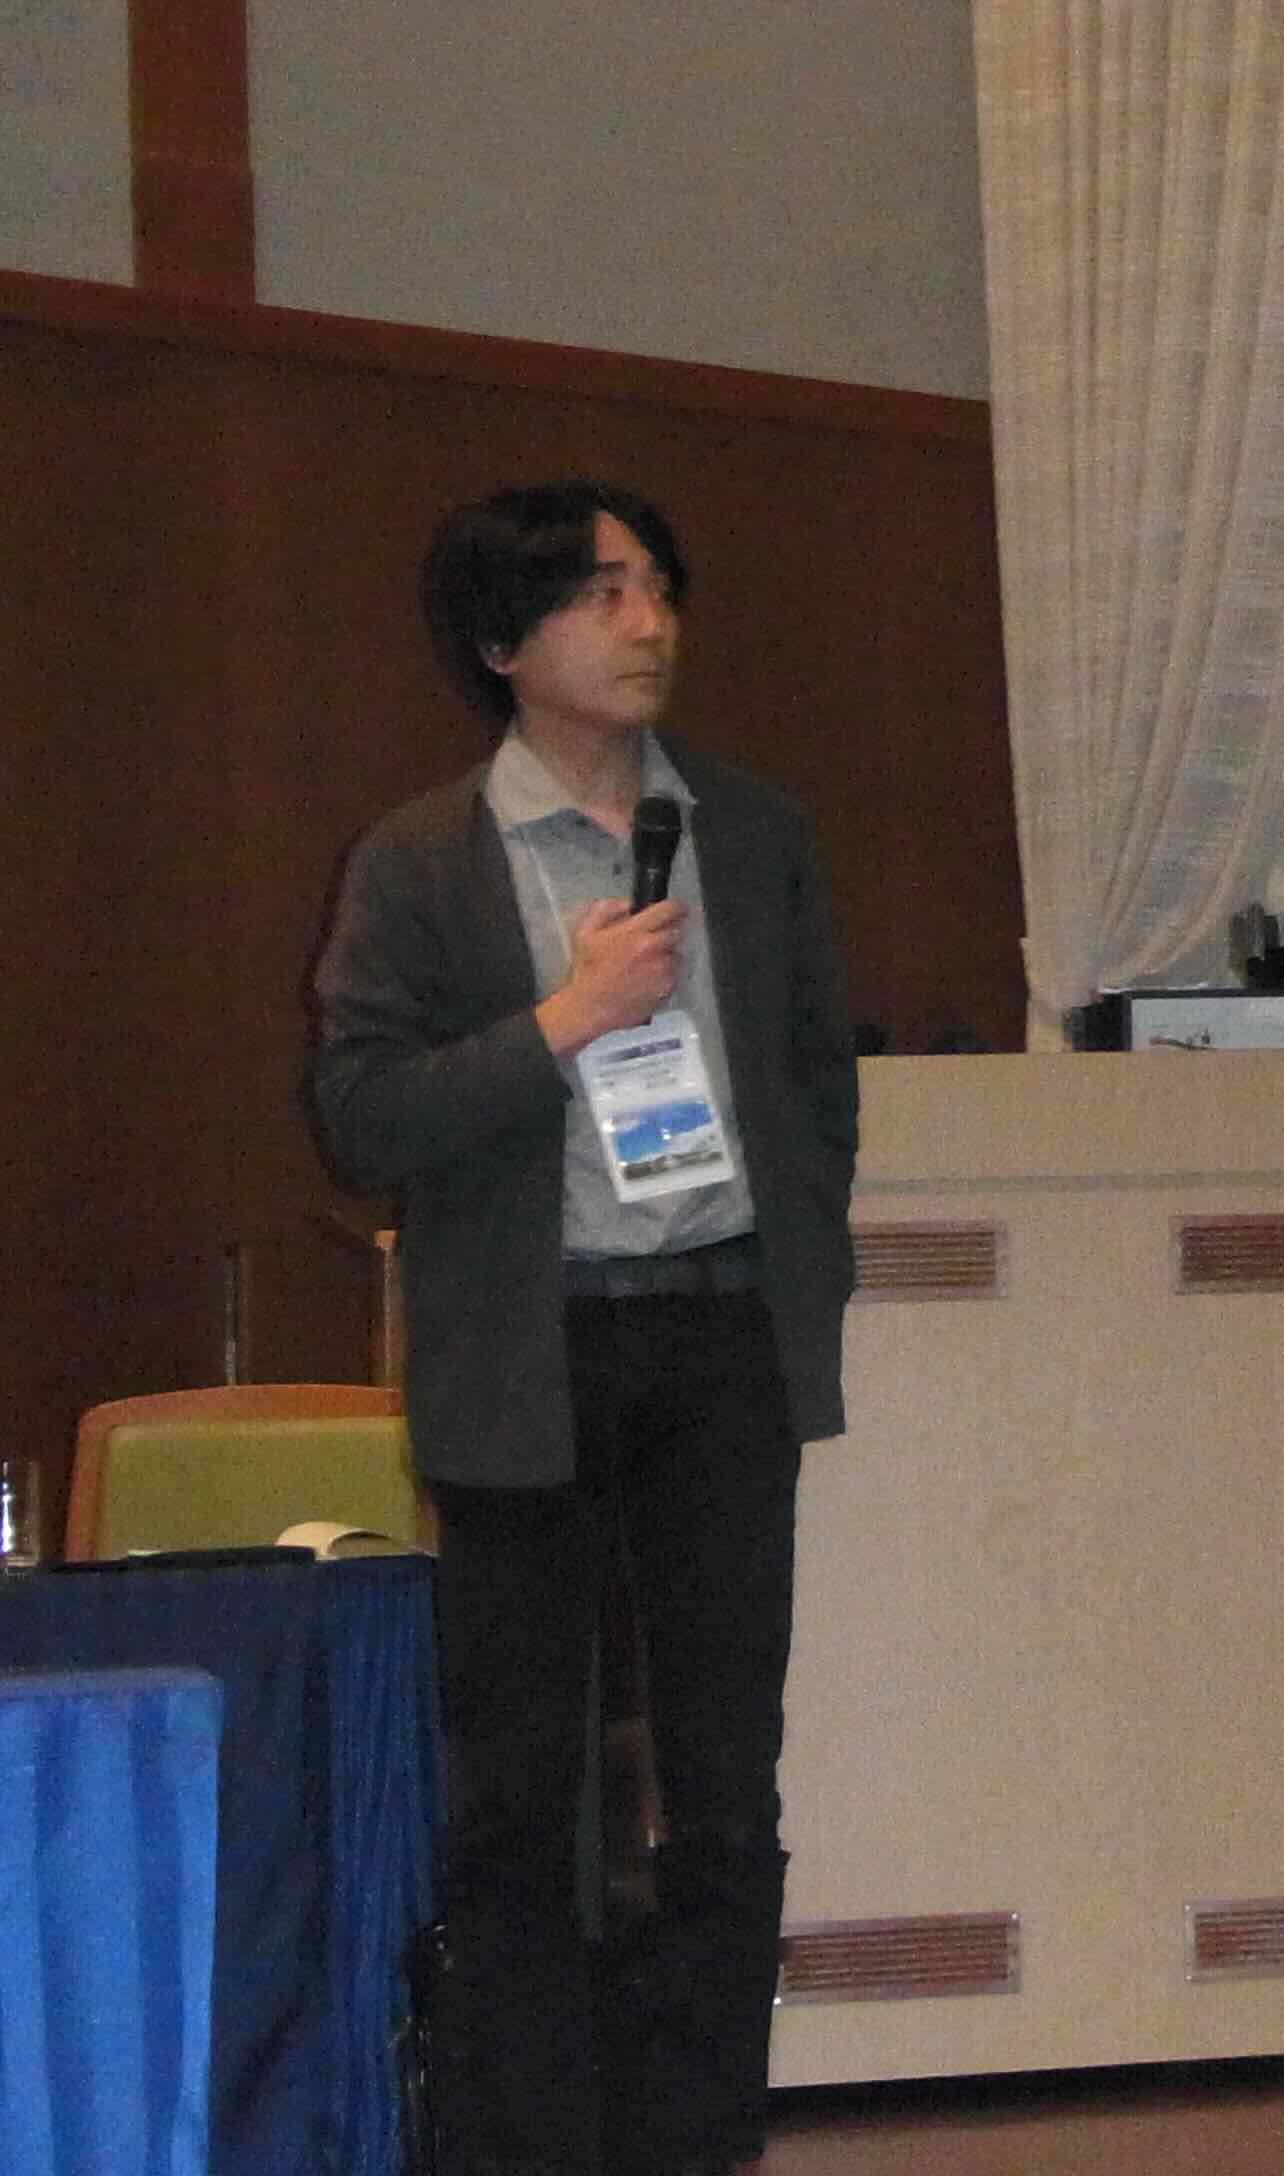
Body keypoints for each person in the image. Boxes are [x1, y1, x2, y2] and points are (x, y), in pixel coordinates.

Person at [313, 482, 859, 2175]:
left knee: (728, 1779)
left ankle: (702, 2137)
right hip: (526, 1358)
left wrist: (807, 1275)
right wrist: (566, 1019)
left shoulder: (751, 832)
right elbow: (359, 1117)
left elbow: (817, 1085)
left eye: (657, 588)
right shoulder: (420, 859)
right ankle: (526, 2144)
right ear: (502, 640)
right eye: (602, 593)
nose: (649, 623)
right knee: (518, 1788)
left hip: (720, 1347)